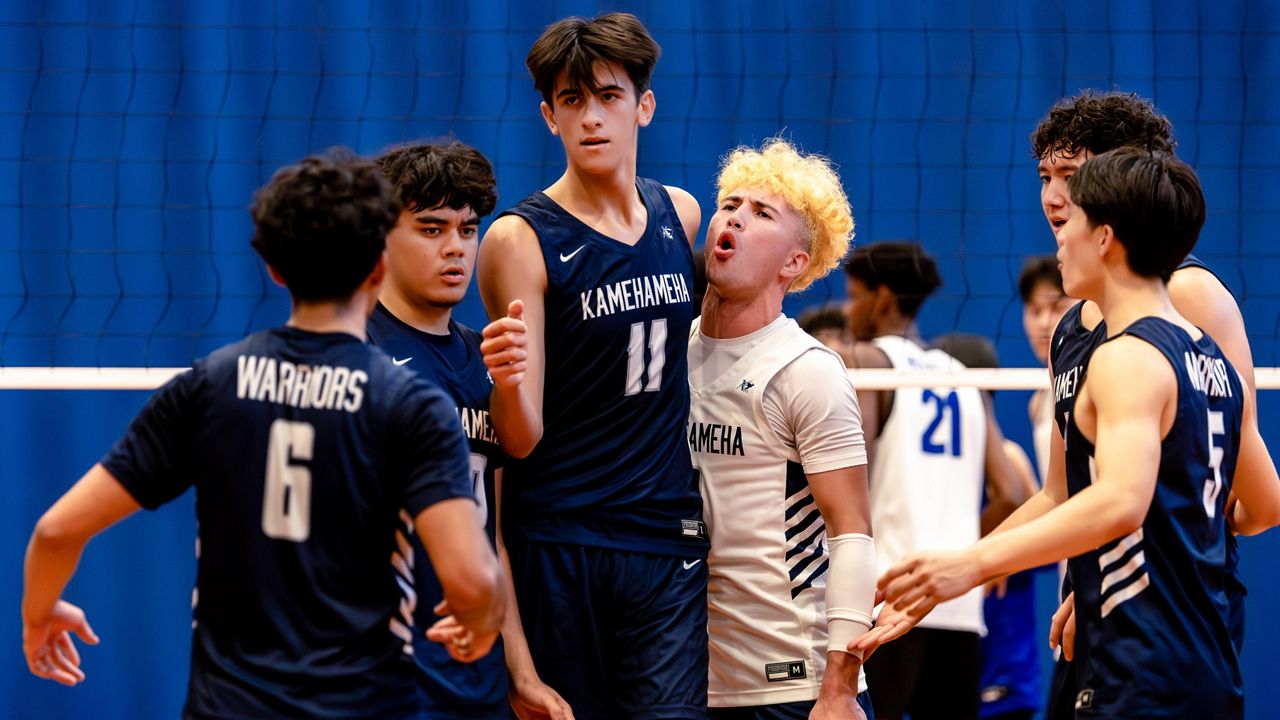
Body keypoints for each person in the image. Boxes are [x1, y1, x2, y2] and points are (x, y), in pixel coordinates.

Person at [20, 149, 505, 718]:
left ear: (274, 269)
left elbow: (55, 532)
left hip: (229, 705)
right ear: (378, 265)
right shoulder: (411, 404)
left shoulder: (210, 385)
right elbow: (470, 580)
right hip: (366, 701)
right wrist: (483, 617)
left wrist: (38, 616)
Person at [875, 147, 1256, 717]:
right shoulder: (1208, 358)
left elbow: (1122, 501)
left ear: (1104, 236)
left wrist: (972, 566)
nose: (1056, 231)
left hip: (1139, 660)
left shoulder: (1127, 356)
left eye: (1070, 215)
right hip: (1207, 653)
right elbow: (1262, 505)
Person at [475, 12, 707, 718]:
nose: (592, 117)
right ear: (549, 117)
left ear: (644, 105)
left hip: (666, 540)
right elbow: (518, 440)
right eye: (572, 101)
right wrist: (507, 384)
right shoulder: (518, 239)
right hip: (561, 540)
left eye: (608, 96)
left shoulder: (683, 215)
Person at [1029, 90, 1280, 718]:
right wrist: (946, 572)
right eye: (1046, 177)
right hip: (1095, 605)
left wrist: (1143, 555)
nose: (1054, 196)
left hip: (1174, 611)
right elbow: (1058, 495)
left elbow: (1253, 499)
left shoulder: (1188, 296)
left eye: (1072, 175)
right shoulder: (1070, 324)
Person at [370, 141, 571, 719]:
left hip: (476, 680)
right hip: (386, 677)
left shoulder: (487, 359)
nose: (455, 248)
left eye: (466, 229)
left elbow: (493, 536)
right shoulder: (354, 357)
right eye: (431, 229)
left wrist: (521, 672)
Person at [690, 139, 873, 719]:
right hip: (689, 679)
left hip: (795, 683)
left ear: (794, 263)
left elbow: (852, 532)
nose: (735, 217)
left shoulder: (807, 371)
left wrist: (840, 687)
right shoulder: (670, 352)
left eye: (761, 213)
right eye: (730, 203)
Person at [843, 241, 1027, 720]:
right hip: (957, 602)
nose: (848, 309)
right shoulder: (962, 375)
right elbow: (1011, 493)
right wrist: (965, 551)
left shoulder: (868, 361)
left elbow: (848, 472)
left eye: (854, 295)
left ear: (883, 298)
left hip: (889, 598)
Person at [930, 334, 1042, 720]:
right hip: (957, 635)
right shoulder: (937, 466)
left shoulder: (1008, 459)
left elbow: (1044, 535)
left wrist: (980, 554)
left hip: (1004, 650)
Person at [1016, 256, 1074, 484]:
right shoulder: (1038, 403)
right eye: (1035, 310)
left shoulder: (1099, 375)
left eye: (1058, 307)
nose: (1044, 322)